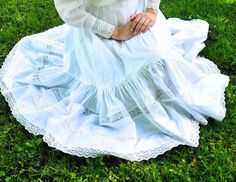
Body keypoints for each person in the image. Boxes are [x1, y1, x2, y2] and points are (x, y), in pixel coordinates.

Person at [0, 0, 230, 162]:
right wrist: (113, 32)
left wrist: (151, 11)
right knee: (110, 78)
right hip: (101, 32)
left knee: (155, 57)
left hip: (139, 20)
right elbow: (69, 9)